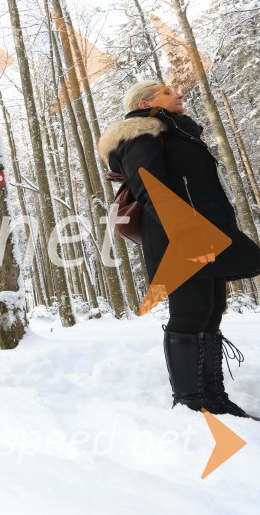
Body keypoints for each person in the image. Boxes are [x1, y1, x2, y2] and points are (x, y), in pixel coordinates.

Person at [98, 81, 260, 418]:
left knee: (211, 312)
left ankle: (214, 397)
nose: (179, 94)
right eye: (169, 92)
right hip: (180, 238)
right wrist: (187, 236)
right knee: (190, 314)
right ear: (145, 104)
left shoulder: (176, 133)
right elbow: (150, 188)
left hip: (208, 234)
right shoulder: (140, 134)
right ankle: (190, 402)